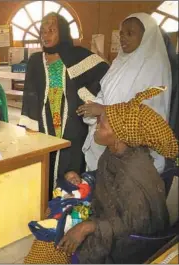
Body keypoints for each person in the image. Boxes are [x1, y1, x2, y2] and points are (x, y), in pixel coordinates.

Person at [25, 86, 178, 264]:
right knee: (55, 212)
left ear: (119, 136)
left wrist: (89, 227)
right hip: (104, 217)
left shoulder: (133, 176)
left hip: (123, 246)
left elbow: (139, 225)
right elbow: (106, 178)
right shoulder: (116, 153)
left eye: (102, 125)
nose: (96, 127)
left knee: (50, 246)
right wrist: (83, 179)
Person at [18, 12, 109, 199]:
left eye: (51, 30)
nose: (46, 35)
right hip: (45, 121)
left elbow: (104, 72)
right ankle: (47, 202)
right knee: (46, 160)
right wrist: (29, 125)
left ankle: (68, 206)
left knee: (71, 163)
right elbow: (30, 93)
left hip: (72, 123)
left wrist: (87, 98)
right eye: (42, 31)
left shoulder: (76, 56)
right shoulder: (36, 60)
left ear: (63, 32)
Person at [78, 13, 173, 173]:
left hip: (132, 157)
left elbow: (148, 115)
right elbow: (105, 94)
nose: (123, 38)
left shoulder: (155, 66)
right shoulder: (119, 62)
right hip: (107, 140)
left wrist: (104, 110)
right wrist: (92, 107)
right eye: (121, 33)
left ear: (146, 36)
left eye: (130, 33)